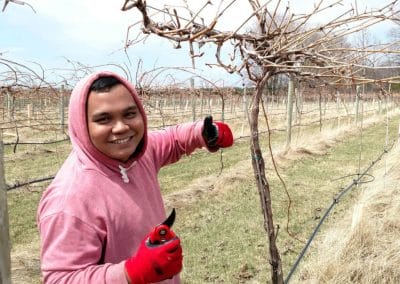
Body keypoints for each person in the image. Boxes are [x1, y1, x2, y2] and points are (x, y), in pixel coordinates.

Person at [37, 71, 234, 284]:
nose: (122, 127)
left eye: (130, 114)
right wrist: (131, 273)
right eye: (104, 119)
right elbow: (61, 279)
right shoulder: (70, 199)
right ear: (82, 125)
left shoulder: (139, 154)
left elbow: (172, 139)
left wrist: (202, 133)